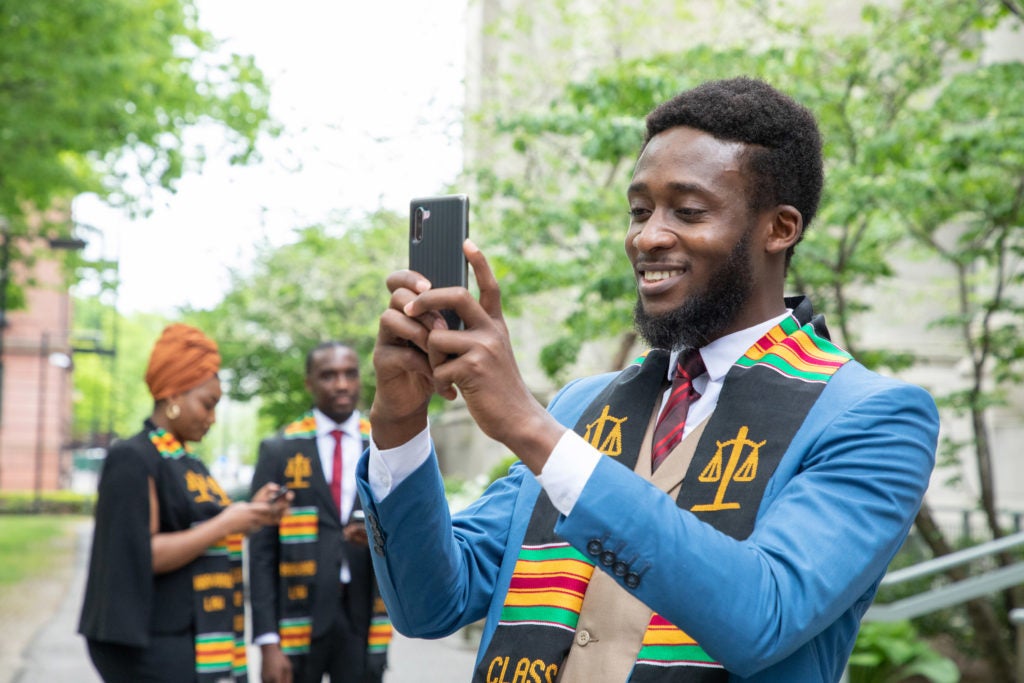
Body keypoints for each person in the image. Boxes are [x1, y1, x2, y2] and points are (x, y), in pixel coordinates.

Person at [356, 77, 939, 682]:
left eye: (687, 211)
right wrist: (400, 421)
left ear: (780, 228)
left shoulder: (872, 415)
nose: (647, 236)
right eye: (639, 210)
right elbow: (433, 604)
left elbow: (764, 615)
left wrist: (527, 426)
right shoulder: (585, 404)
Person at [79, 323, 290, 683]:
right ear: (173, 395)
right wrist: (226, 523)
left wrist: (251, 515)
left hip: (194, 633)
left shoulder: (187, 462)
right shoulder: (133, 457)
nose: (212, 417)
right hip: (149, 642)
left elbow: (203, 526)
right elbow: (143, 553)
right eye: (207, 404)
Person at [249, 341, 390, 683]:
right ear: (309, 383)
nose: (342, 384)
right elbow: (262, 551)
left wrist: (377, 538)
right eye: (328, 375)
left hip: (363, 614)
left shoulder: (384, 445)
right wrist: (268, 643)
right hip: (298, 615)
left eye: (350, 374)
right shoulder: (280, 448)